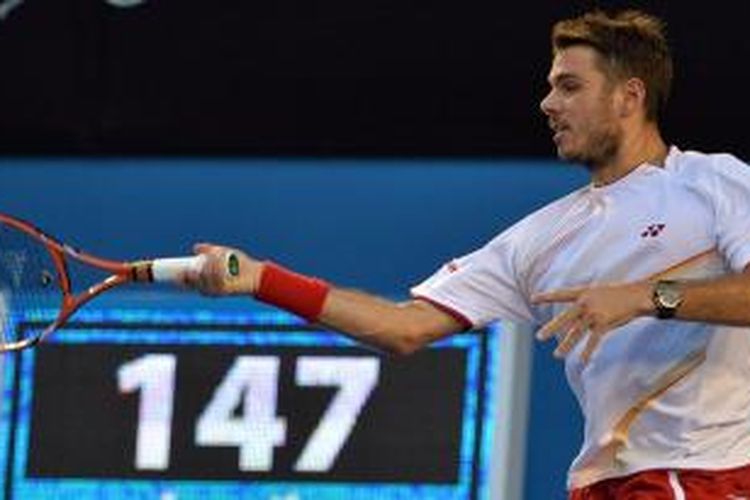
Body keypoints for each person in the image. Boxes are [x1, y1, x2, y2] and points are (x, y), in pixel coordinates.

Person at [185, 10, 750, 499]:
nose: (547, 103)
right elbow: (401, 328)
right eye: (551, 87)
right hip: (600, 484)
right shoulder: (540, 236)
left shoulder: (713, 181)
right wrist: (261, 279)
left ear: (630, 96)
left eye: (570, 87)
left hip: (706, 475)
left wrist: (645, 297)